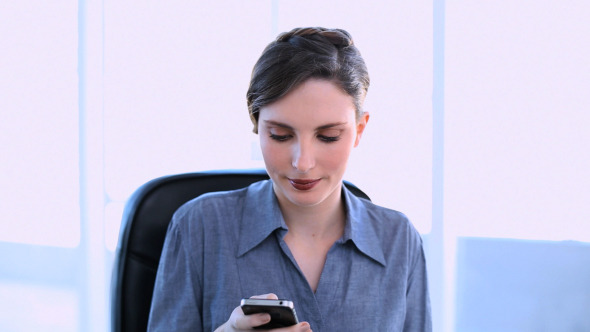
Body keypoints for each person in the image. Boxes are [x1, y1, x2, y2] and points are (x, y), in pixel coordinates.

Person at [147, 27, 431, 332]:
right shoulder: (199, 226)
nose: (302, 163)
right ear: (257, 124)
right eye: (280, 135)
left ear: (359, 130)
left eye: (328, 136)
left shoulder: (398, 239)